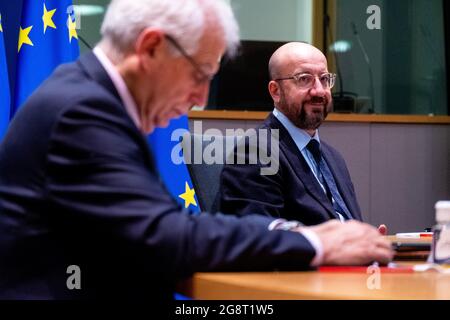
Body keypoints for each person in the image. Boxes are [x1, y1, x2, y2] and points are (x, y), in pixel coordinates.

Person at [0, 0, 392, 300]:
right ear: (152, 47)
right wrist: (316, 241)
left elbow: (158, 225)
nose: (200, 97)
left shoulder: (90, 98)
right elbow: (167, 236)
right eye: (200, 74)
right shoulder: (82, 112)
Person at [218, 42, 387, 233]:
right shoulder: (254, 154)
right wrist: (334, 247)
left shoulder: (333, 158)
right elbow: (261, 240)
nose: (319, 91)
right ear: (275, 91)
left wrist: (366, 241)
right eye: (304, 79)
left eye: (324, 79)